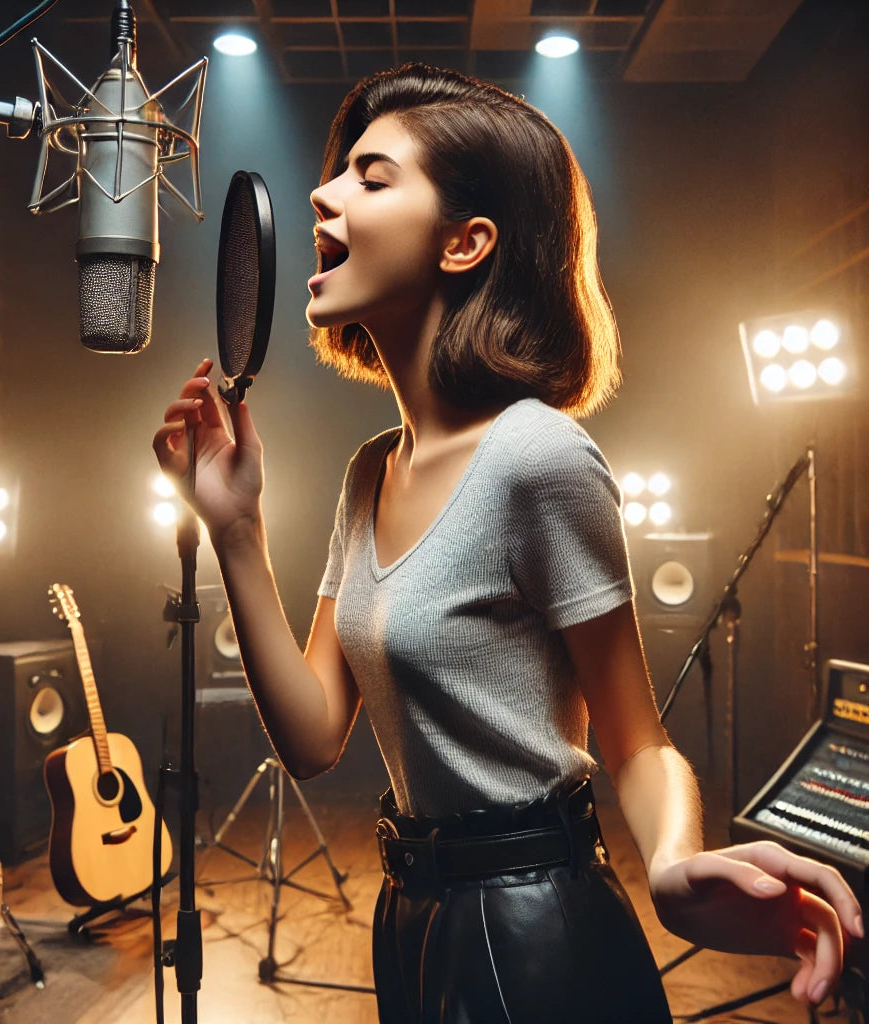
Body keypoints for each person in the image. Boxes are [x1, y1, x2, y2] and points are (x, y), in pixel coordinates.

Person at [153, 64, 862, 1023]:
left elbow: (636, 740)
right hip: (410, 915)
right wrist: (234, 529)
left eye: (371, 177)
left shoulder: (538, 454)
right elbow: (317, 736)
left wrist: (676, 861)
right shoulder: (370, 472)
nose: (322, 193)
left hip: (533, 925)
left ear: (466, 242)